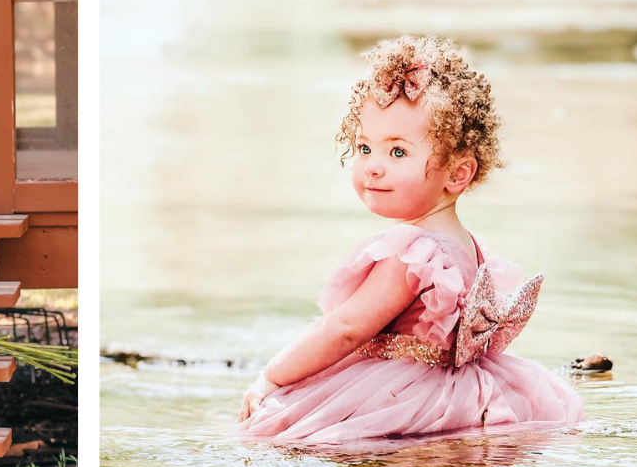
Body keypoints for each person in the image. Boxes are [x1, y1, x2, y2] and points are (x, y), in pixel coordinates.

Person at [236, 35, 583, 442]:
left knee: (273, 435)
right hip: (456, 389)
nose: (372, 168)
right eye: (364, 148)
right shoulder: (466, 244)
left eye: (397, 153)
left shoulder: (414, 253)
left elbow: (346, 329)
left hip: (406, 394)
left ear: (458, 173)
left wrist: (271, 377)